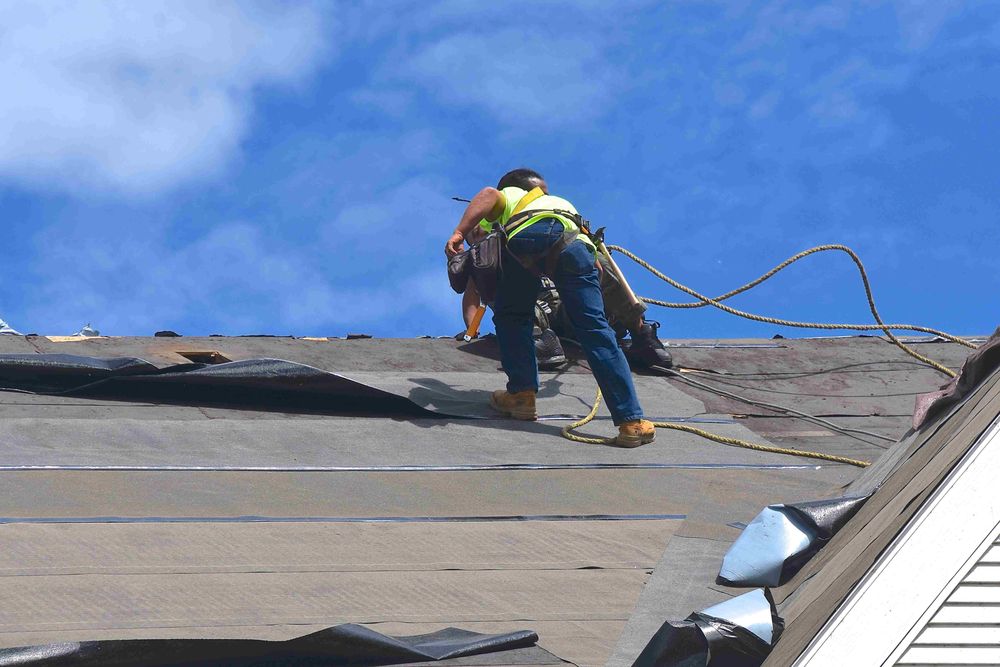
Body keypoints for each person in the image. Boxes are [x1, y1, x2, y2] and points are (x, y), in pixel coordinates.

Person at [445, 168, 655, 447]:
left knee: (513, 316)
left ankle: (521, 396)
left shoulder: (513, 195)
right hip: (575, 247)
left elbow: (488, 194)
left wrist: (459, 232)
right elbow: (598, 266)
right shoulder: (563, 205)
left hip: (525, 240)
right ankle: (631, 423)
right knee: (596, 331)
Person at [457, 174, 672, 372]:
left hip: (569, 308)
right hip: (545, 314)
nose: (544, 196)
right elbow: (475, 288)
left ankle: (641, 336)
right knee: (488, 262)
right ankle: (639, 336)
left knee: (601, 265)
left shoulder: (548, 214)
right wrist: (471, 329)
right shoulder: (504, 211)